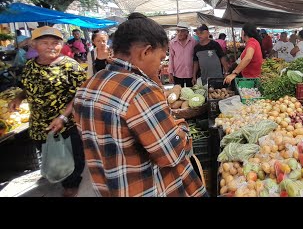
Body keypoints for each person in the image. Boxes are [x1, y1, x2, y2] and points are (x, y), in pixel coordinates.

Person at [73, 13, 206, 197]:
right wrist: (182, 126)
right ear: (145, 52)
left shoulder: (87, 87)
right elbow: (172, 153)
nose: (161, 66)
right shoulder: (140, 92)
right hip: (149, 188)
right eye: (160, 58)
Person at [8, 26, 87, 197]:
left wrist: (62, 117)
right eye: (45, 43)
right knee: (50, 154)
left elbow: (81, 95)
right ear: (34, 45)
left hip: (65, 124)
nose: (51, 46)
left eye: (55, 43)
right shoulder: (30, 65)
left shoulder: (70, 66)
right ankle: (59, 175)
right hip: (38, 124)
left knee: (72, 157)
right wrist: (19, 98)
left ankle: (71, 184)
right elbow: (27, 87)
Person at [168, 22, 196, 87]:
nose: (179, 33)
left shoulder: (193, 42)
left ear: (187, 32)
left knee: (191, 92)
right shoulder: (172, 43)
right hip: (177, 73)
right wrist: (170, 73)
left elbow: (196, 59)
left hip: (190, 73)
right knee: (178, 92)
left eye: (182, 31)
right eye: (178, 31)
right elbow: (171, 58)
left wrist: (195, 74)